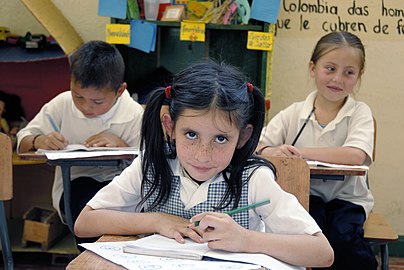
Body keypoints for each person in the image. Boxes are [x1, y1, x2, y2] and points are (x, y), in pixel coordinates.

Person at [74, 61, 334, 268]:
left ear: (242, 137)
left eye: (221, 138)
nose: (202, 154)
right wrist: (157, 221)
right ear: (170, 127)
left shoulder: (253, 179)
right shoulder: (152, 166)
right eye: (191, 135)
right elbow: (85, 223)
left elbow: (322, 252)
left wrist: (246, 239)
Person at [257, 31, 376, 269]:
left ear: (358, 76)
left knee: (342, 237)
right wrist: (274, 150)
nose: (338, 79)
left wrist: (301, 153)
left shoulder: (360, 113)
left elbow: (356, 155)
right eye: (330, 69)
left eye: (349, 73)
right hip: (305, 195)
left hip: (347, 199)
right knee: (310, 233)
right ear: (313, 68)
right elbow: (257, 146)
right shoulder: (294, 112)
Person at [16, 40, 144, 243]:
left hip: (121, 186)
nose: (86, 107)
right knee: (87, 206)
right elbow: (22, 141)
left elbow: (149, 164)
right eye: (78, 96)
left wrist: (121, 145)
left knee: (119, 206)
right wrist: (40, 140)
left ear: (120, 91)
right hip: (75, 186)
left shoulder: (135, 114)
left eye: (97, 101)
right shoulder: (63, 105)